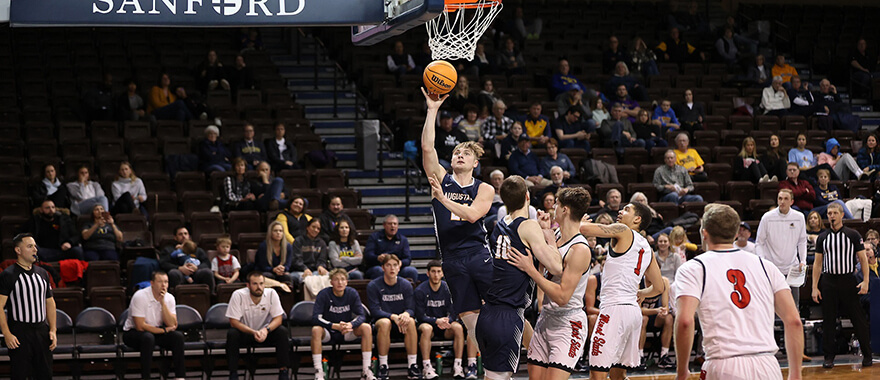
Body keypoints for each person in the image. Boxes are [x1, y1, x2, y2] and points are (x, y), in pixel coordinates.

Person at [673, 203, 804, 380]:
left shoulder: (693, 268)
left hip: (723, 364)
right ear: (736, 234)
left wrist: (682, 371)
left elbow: (685, 322)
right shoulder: (766, 266)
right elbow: (794, 321)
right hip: (768, 365)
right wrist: (796, 374)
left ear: (704, 233)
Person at [421, 89, 495, 379]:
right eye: (456, 152)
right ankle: (493, 369)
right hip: (451, 259)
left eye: (465, 153)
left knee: (503, 309)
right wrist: (432, 110)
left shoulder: (484, 188)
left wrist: (442, 199)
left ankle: (534, 350)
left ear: (475, 162)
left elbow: (473, 215)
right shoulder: (441, 179)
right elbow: (428, 149)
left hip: (478, 254)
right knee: (471, 322)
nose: (459, 155)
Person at [476, 175, 563, 380]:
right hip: (507, 316)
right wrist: (549, 236)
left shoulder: (500, 224)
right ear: (527, 196)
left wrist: (539, 229)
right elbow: (556, 267)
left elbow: (521, 234)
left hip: (489, 314)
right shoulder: (528, 227)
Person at [506, 187, 592, 379]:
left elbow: (562, 297)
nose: (553, 207)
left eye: (557, 204)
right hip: (547, 318)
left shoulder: (579, 249)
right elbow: (547, 270)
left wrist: (530, 269)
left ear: (565, 210)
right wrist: (546, 234)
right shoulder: (558, 236)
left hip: (569, 323)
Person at [578, 202, 665, 380]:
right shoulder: (647, 247)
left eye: (627, 209)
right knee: (618, 375)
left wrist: (578, 221)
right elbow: (658, 287)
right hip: (633, 313)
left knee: (597, 373)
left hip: (614, 310)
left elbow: (584, 229)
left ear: (637, 219)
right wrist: (641, 293)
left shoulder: (623, 230)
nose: (620, 211)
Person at [811, 202, 873, 369]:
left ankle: (867, 355)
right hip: (829, 281)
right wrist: (814, 287)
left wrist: (866, 280)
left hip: (847, 280)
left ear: (842, 215)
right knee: (829, 320)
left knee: (858, 319)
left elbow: (862, 259)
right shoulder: (823, 237)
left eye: (834, 213)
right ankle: (828, 357)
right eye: (829, 213)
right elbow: (817, 264)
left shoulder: (852, 235)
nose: (831, 216)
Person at [0, 233, 58, 380]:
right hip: (20, 331)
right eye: (30, 246)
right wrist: (6, 334)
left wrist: (53, 330)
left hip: (41, 330)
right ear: (18, 250)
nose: (35, 250)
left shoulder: (43, 273)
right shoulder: (8, 275)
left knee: (45, 374)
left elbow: (50, 303)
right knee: (20, 374)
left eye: (35, 246)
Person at [312, 269, 375, 380]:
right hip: (329, 331)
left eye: (342, 279)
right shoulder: (324, 294)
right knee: (316, 329)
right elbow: (316, 318)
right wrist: (334, 325)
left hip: (347, 331)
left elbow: (361, 315)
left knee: (366, 327)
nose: (340, 282)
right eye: (336, 279)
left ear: (346, 281)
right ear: (331, 282)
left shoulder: (351, 293)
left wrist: (350, 324)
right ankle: (319, 372)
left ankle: (366, 370)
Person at [226, 272, 290, 380]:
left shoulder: (271, 293)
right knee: (232, 333)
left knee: (282, 331)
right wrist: (253, 332)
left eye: (261, 284)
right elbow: (234, 322)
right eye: (255, 284)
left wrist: (266, 330)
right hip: (246, 333)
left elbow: (278, 318)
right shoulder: (238, 295)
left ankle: (283, 371)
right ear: (248, 285)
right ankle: (233, 373)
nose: (259, 287)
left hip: (265, 333)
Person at [122, 271, 186, 380]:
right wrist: (164, 331)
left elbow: (172, 324)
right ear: (152, 283)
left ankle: (180, 376)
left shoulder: (169, 298)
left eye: (166, 282)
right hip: (133, 333)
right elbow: (140, 326)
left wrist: (163, 304)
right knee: (148, 338)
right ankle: (145, 377)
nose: (163, 285)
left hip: (156, 331)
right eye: (160, 282)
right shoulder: (140, 296)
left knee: (178, 337)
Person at [367, 255, 419, 380]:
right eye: (388, 265)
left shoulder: (406, 284)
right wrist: (392, 316)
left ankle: (412, 365)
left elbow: (411, 308)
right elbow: (374, 311)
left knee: (411, 321)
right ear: (383, 268)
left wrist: (406, 314)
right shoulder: (373, 285)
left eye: (395, 265)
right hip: (382, 323)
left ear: (399, 267)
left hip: (401, 323)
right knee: (385, 323)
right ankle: (383, 365)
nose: (392, 268)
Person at [756, 189, 808, 309]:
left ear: (792, 201)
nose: (782, 202)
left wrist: (803, 260)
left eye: (785, 199)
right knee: (771, 305)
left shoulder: (799, 217)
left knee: (794, 306)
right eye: (780, 198)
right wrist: (762, 261)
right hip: (772, 268)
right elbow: (759, 242)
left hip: (792, 268)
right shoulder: (767, 217)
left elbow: (802, 241)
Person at [415, 261, 466, 379]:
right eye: (433, 272)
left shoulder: (448, 289)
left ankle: (458, 366)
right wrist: (436, 321)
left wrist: (448, 320)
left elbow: (453, 312)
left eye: (439, 272)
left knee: (458, 327)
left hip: (445, 326)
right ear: (427, 273)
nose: (436, 275)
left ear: (443, 273)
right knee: (426, 329)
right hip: (429, 325)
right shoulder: (420, 290)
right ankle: (426, 367)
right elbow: (420, 316)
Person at [363, 215, 419, 281]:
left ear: (397, 226)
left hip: (397, 269)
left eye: (395, 224)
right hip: (379, 266)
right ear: (384, 225)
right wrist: (377, 258)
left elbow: (407, 259)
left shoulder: (403, 240)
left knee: (412, 271)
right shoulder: (374, 237)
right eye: (390, 224)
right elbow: (368, 255)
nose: (392, 226)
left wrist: (400, 262)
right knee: (378, 270)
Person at [255, 221, 298, 286]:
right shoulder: (264, 246)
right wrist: (273, 270)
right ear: (271, 233)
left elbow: (288, 264)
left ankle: (288, 295)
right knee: (267, 276)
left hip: (281, 272)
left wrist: (283, 269)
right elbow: (262, 265)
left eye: (280, 231)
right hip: (267, 271)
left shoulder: (288, 246)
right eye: (275, 231)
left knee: (288, 277)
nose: (278, 233)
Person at [292, 218, 330, 284]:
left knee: (328, 277)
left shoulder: (322, 243)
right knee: (301, 277)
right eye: (313, 227)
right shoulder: (298, 241)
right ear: (307, 227)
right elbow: (296, 260)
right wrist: (305, 269)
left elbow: (322, 259)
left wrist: (320, 266)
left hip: (316, 270)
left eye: (318, 228)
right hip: (300, 270)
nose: (315, 230)